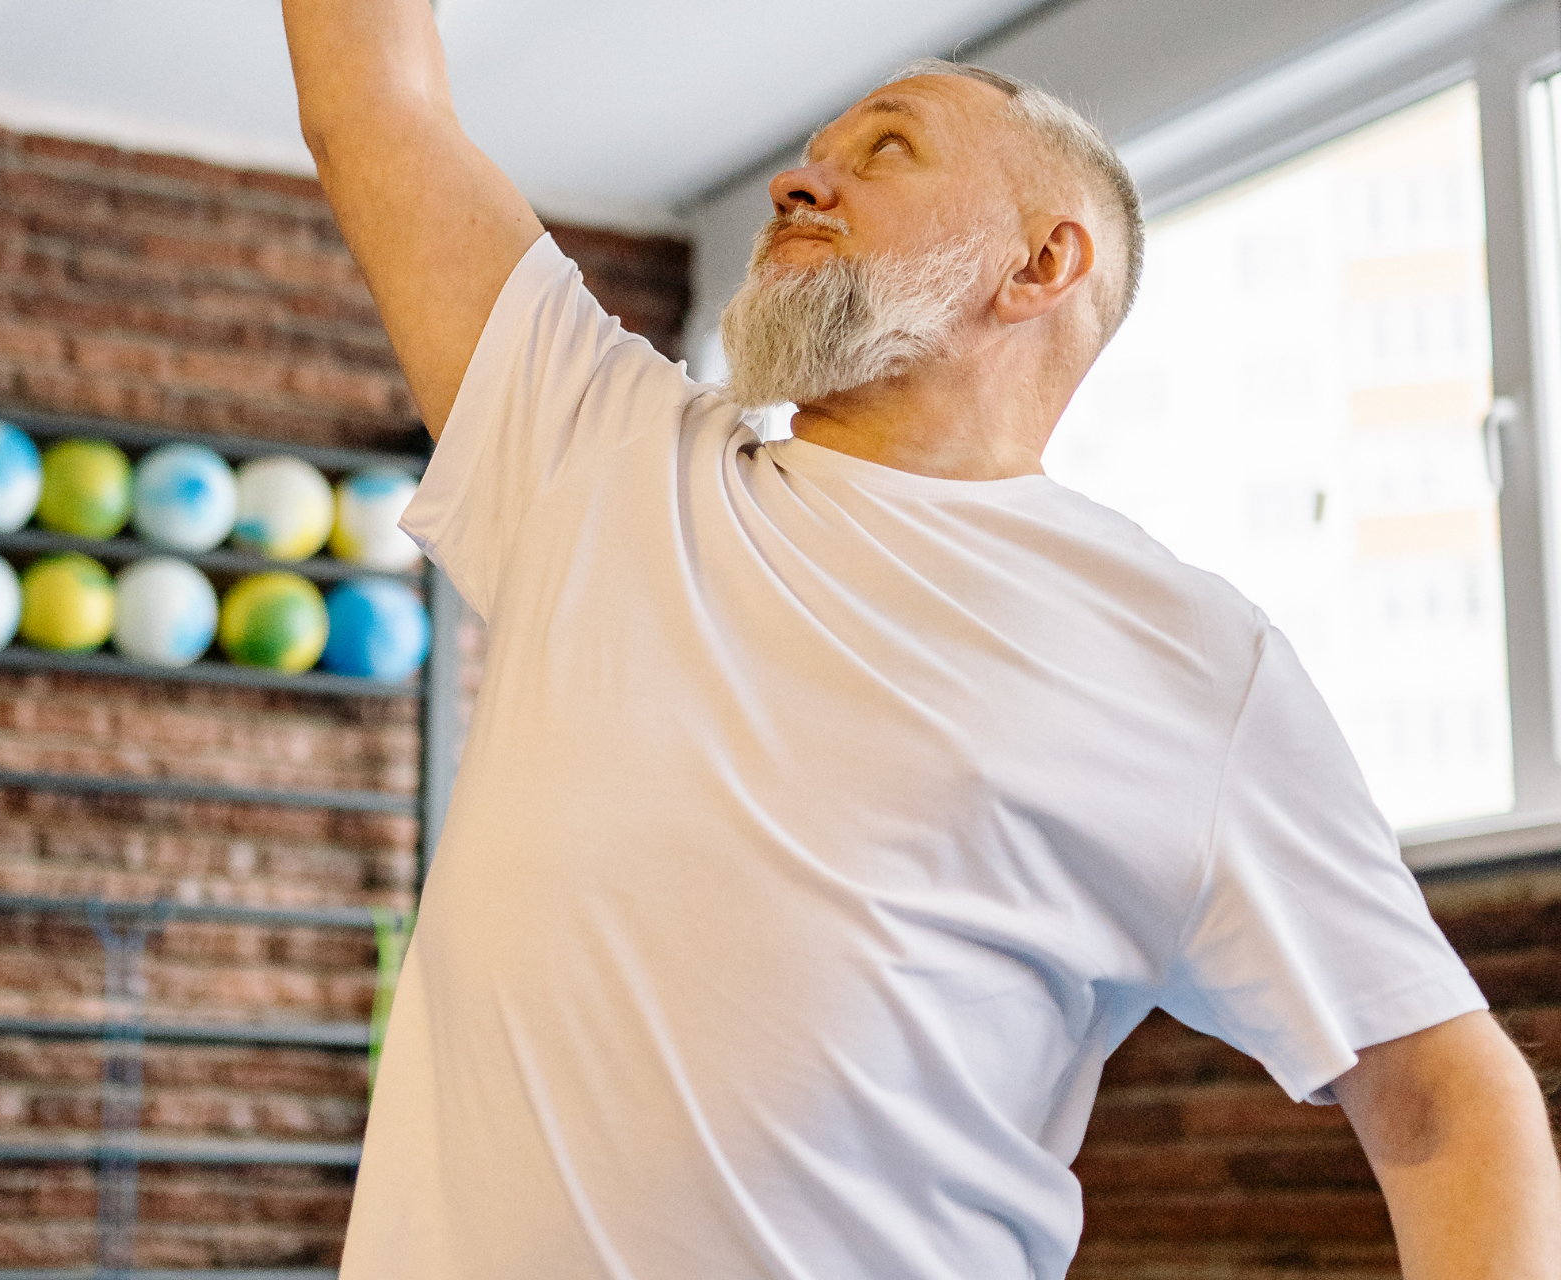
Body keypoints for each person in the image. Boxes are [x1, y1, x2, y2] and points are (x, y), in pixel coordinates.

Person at [279, 2, 1561, 1276]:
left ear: (1042, 264)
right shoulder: (603, 460)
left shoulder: (1186, 659)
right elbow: (375, 105)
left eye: (885, 149)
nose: (796, 180)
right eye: (816, 151)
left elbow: (1445, 1099)